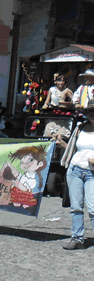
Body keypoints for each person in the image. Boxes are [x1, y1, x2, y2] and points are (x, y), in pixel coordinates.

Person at [55, 106, 94, 249]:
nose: (92, 115)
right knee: (76, 207)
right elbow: (72, 148)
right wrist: (61, 143)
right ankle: (77, 239)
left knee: (93, 208)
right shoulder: (80, 128)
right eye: (90, 112)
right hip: (75, 170)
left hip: (92, 173)